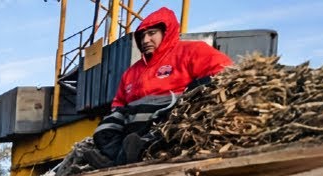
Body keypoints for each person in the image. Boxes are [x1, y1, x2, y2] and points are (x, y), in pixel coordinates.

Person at [91, 6, 231, 166]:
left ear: (166, 32)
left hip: (170, 113)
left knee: (153, 123)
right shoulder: (131, 72)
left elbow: (222, 71)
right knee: (104, 129)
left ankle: (130, 154)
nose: (145, 40)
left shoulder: (192, 50)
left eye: (151, 33)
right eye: (142, 36)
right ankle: (118, 158)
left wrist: (192, 92)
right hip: (133, 120)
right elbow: (118, 104)